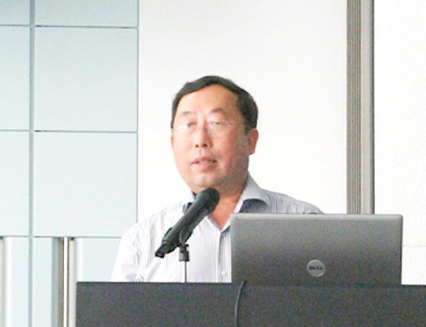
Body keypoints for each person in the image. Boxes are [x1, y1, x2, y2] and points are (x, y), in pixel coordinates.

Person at [111, 75, 321, 282]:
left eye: (216, 123)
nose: (200, 140)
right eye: (188, 125)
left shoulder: (305, 224)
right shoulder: (142, 240)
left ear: (250, 140)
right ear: (173, 143)